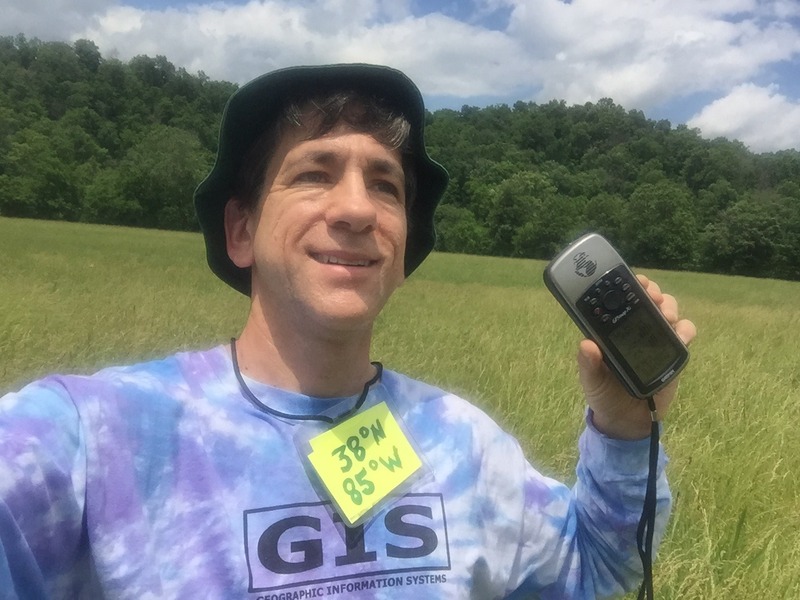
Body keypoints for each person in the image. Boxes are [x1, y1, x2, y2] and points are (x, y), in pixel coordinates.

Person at [0, 64, 696, 599]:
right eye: (314, 173)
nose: (358, 209)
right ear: (241, 230)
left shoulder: (461, 441)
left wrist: (628, 429)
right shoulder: (88, 434)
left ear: (399, 245)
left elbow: (594, 570)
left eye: (387, 185)